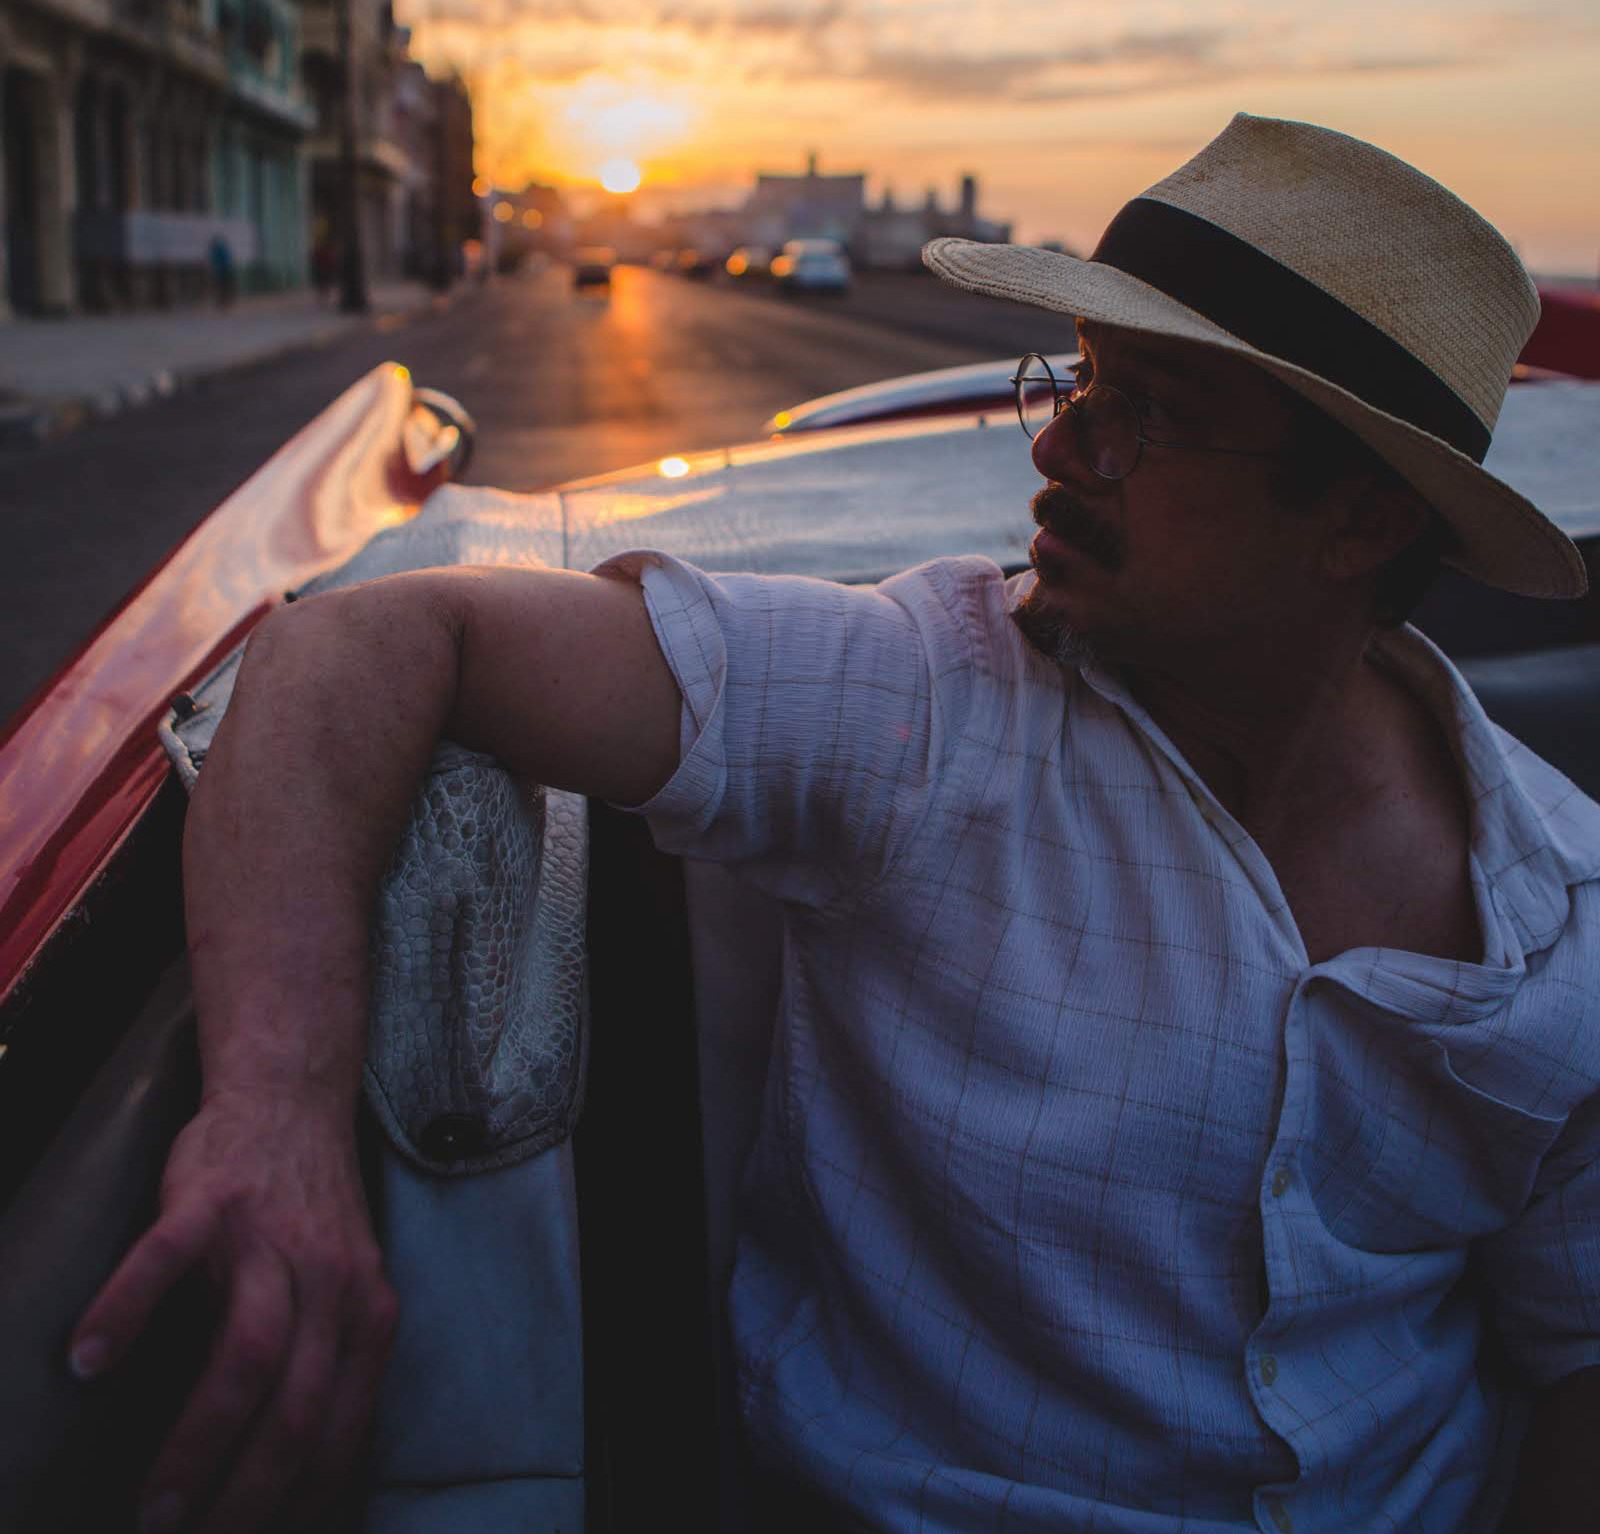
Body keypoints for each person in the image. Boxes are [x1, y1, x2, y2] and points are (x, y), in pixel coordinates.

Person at [68, 115, 1600, 1533]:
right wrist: (271, 1113)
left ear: (1361, 521)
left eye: (1151, 414)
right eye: (1074, 379)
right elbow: (364, 643)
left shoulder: (1568, 914)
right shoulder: (926, 700)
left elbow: (1575, 1360)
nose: (1061, 449)